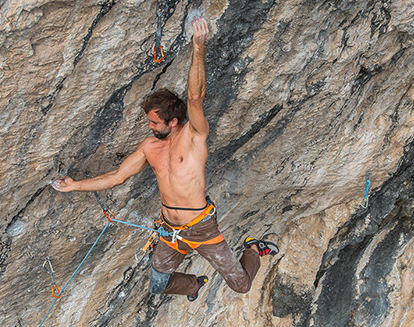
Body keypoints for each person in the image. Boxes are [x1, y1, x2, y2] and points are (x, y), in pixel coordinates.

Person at [52, 16, 278, 301]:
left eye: (154, 122)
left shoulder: (194, 137)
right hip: (169, 230)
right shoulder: (149, 146)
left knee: (241, 285)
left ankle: (253, 249)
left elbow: (195, 97)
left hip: (201, 227)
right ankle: (194, 285)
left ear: (172, 121)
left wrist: (198, 46)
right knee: (158, 285)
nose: (149, 127)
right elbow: (117, 177)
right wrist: (75, 185)